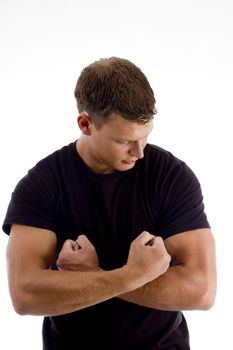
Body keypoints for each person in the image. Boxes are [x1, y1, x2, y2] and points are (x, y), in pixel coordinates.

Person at [2, 57, 216, 350]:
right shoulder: (41, 185)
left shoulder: (170, 176)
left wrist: (95, 275)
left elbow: (201, 291)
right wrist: (132, 274)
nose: (139, 152)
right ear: (85, 124)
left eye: (145, 136)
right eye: (124, 141)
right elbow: (24, 295)